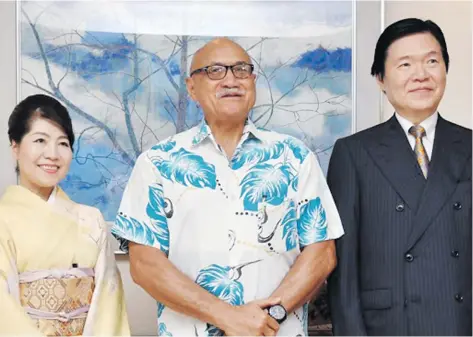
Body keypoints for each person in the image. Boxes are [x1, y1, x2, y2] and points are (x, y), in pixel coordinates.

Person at [112, 37, 344, 336]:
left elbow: (322, 253)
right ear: (192, 87)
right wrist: (226, 316)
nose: (231, 79)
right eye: (215, 71)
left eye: (241, 70)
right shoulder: (157, 163)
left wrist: (269, 317)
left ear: (253, 82)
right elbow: (145, 265)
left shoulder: (294, 156)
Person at [327, 18, 472, 336]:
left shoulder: (470, 145)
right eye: (405, 64)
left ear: (445, 69)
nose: (421, 75)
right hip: (390, 327)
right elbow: (345, 271)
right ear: (380, 78)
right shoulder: (353, 153)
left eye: (432, 61)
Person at [0, 94, 130, 336]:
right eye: (40, 140)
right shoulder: (3, 219)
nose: (53, 154)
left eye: (63, 143)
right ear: (15, 147)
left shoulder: (91, 220)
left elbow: (108, 304)